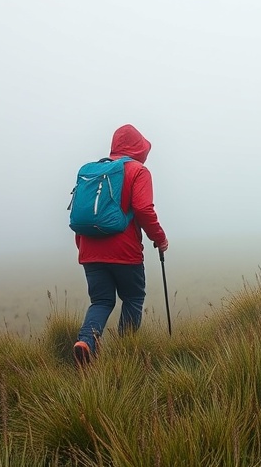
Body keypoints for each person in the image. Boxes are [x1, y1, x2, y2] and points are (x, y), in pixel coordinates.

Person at [73, 124, 168, 366]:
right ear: (139, 148)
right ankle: (125, 356)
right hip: (125, 253)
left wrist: (85, 250)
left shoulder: (95, 172)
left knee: (101, 301)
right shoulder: (138, 171)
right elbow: (144, 209)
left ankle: (86, 342)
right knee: (133, 298)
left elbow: (81, 215)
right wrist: (159, 238)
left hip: (90, 252)